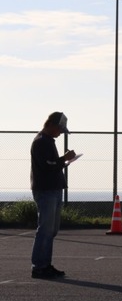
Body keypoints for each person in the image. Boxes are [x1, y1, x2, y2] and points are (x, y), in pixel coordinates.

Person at [30, 112, 76, 279]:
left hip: (52, 189)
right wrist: (64, 159)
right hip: (46, 190)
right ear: (50, 124)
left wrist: (63, 161)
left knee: (51, 230)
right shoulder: (41, 142)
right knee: (45, 229)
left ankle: (44, 264)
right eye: (60, 129)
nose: (60, 133)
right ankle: (39, 266)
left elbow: (50, 165)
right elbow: (48, 166)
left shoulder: (47, 141)